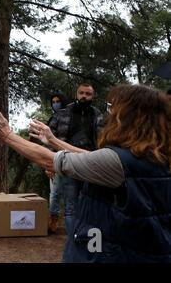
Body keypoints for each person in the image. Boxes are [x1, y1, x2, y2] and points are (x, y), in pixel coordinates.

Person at [0, 84, 171, 262]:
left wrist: (5, 135)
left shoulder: (118, 162)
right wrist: (52, 140)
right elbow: (92, 157)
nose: (109, 116)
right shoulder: (159, 156)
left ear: (126, 118)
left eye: (114, 110)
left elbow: (50, 160)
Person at [48, 83, 105, 234]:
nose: (84, 96)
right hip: (69, 162)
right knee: (71, 205)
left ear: (93, 96)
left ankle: (87, 237)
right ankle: (73, 239)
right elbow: (49, 138)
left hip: (91, 164)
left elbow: (103, 139)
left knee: (91, 203)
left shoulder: (97, 114)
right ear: (76, 94)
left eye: (88, 93)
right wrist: (49, 163)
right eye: (81, 93)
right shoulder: (62, 113)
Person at [46, 91, 69, 234]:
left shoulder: (72, 116)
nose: (55, 104)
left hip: (72, 159)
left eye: (58, 101)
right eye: (53, 102)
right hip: (55, 160)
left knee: (70, 193)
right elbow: (48, 143)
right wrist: (48, 164)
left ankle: (70, 221)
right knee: (54, 193)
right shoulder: (53, 119)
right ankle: (53, 219)